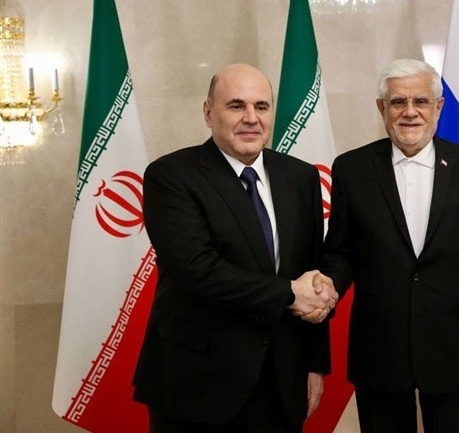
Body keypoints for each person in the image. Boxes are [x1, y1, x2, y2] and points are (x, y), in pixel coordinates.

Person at [133, 63, 338, 433]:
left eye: (261, 106)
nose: (251, 118)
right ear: (209, 112)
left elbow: (310, 270)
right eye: (236, 106)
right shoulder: (171, 176)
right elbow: (196, 270)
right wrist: (290, 293)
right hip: (198, 385)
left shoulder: (300, 176)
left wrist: (313, 362)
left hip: (281, 383)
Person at [320, 58, 459, 433]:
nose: (409, 112)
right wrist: (326, 286)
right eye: (398, 102)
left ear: (438, 107)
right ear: (381, 108)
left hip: (456, 350)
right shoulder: (351, 169)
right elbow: (341, 253)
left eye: (421, 101)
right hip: (379, 350)